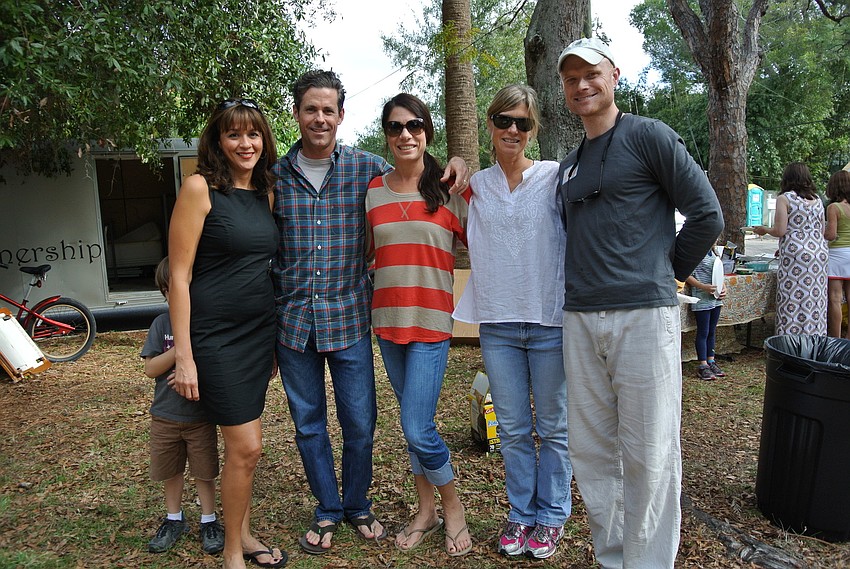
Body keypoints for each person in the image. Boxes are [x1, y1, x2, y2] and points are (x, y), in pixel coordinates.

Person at [271, 70, 469, 555]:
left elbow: (471, 214)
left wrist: (460, 162)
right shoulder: (274, 176)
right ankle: (330, 509)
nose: (320, 118)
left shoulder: (369, 171)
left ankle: (364, 503)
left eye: (328, 109)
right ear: (297, 113)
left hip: (358, 321)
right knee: (310, 423)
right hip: (305, 322)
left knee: (373, 423)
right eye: (310, 109)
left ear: (341, 115)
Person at [556, 37, 723, 568]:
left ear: (615, 75)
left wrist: (663, 273)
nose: (582, 85)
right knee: (592, 452)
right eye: (571, 77)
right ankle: (613, 557)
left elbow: (707, 215)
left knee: (649, 454)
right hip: (580, 320)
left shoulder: (647, 135)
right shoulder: (569, 166)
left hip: (644, 318)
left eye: (592, 73)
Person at [453, 84, 572, 560]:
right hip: (497, 323)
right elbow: (431, 183)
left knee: (555, 428)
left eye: (522, 123)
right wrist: (459, 163)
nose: (512, 130)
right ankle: (521, 513)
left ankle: (552, 516)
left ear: (533, 129)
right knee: (514, 429)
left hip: (548, 321)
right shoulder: (475, 185)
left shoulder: (554, 177)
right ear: (490, 123)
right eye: (504, 120)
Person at [169, 98, 285, 569]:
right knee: (247, 446)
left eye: (253, 133)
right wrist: (184, 356)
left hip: (259, 334)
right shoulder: (199, 189)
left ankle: (243, 532)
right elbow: (179, 275)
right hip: (215, 338)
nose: (246, 143)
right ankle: (233, 553)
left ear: (264, 139)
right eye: (234, 134)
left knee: (246, 447)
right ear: (218, 141)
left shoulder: (265, 192)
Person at [364, 93, 473, 557]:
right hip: (387, 325)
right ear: (386, 135)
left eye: (414, 125)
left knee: (415, 425)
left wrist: (464, 162)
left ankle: (453, 509)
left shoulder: (450, 189)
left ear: (427, 130)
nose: (405, 134)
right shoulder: (372, 191)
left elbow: (493, 235)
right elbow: (370, 255)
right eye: (394, 127)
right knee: (416, 425)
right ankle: (425, 511)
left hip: (431, 325)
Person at [142, 257, 225, 556]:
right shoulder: (161, 324)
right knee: (170, 470)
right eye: (168, 290)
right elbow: (151, 369)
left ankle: (209, 520)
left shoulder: (204, 322)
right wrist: (180, 351)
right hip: (164, 416)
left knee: (205, 471)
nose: (173, 295)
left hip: (200, 416)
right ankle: (173, 519)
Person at [754, 162, 828, 335]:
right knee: (814, 297)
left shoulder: (785, 198)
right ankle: (814, 336)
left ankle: (790, 338)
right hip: (819, 254)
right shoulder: (817, 200)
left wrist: (764, 229)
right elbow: (821, 230)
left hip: (796, 255)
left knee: (792, 297)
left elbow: (780, 230)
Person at [685, 248, 728, 380]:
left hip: (715, 299)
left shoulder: (714, 253)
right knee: (703, 332)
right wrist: (702, 286)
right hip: (702, 299)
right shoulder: (694, 252)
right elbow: (686, 274)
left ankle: (711, 361)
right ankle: (703, 365)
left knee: (712, 331)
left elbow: (719, 274)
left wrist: (723, 288)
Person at [823, 170, 850, 338]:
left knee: (835, 298)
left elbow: (831, 235)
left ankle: (836, 338)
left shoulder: (834, 207)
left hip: (837, 255)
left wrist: (822, 233)